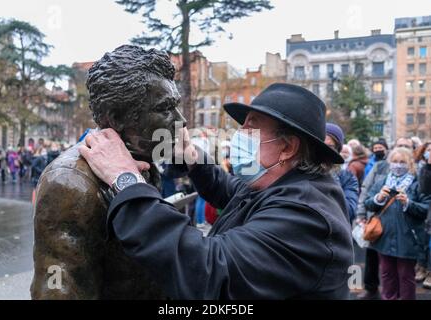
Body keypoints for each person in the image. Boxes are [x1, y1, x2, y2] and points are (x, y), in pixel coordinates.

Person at [80, 83, 354, 299]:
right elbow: (230, 190)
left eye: (252, 126)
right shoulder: (280, 185)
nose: (239, 135)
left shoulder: (307, 216)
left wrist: (125, 180)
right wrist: (191, 157)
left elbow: (208, 269)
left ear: (287, 147)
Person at [31, 45, 187, 299]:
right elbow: (59, 286)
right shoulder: (70, 183)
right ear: (116, 118)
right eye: (165, 108)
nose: (182, 120)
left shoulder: (142, 161)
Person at [364, 147, 430, 300]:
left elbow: (426, 208)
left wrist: (409, 203)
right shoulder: (382, 183)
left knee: (406, 276)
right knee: (387, 275)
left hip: (409, 239)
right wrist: (378, 199)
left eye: (402, 162)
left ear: (409, 164)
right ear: (389, 163)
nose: (398, 165)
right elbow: (368, 203)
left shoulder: (418, 183)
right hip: (384, 238)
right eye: (395, 161)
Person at [355, 137, 410, 299]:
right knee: (373, 255)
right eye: (399, 145)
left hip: (404, 224)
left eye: (406, 146)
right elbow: (366, 189)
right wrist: (361, 214)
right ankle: (371, 288)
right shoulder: (380, 166)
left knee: (403, 266)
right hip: (378, 219)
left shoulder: (415, 170)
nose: (402, 148)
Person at [325, 123, 359, 223]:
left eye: (330, 146)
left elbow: (349, 212)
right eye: (320, 144)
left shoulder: (347, 177)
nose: (324, 150)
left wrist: (331, 178)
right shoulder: (301, 172)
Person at [418, 145, 431, 289]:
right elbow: (424, 189)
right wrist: (428, 166)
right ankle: (425, 268)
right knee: (427, 242)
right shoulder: (425, 169)